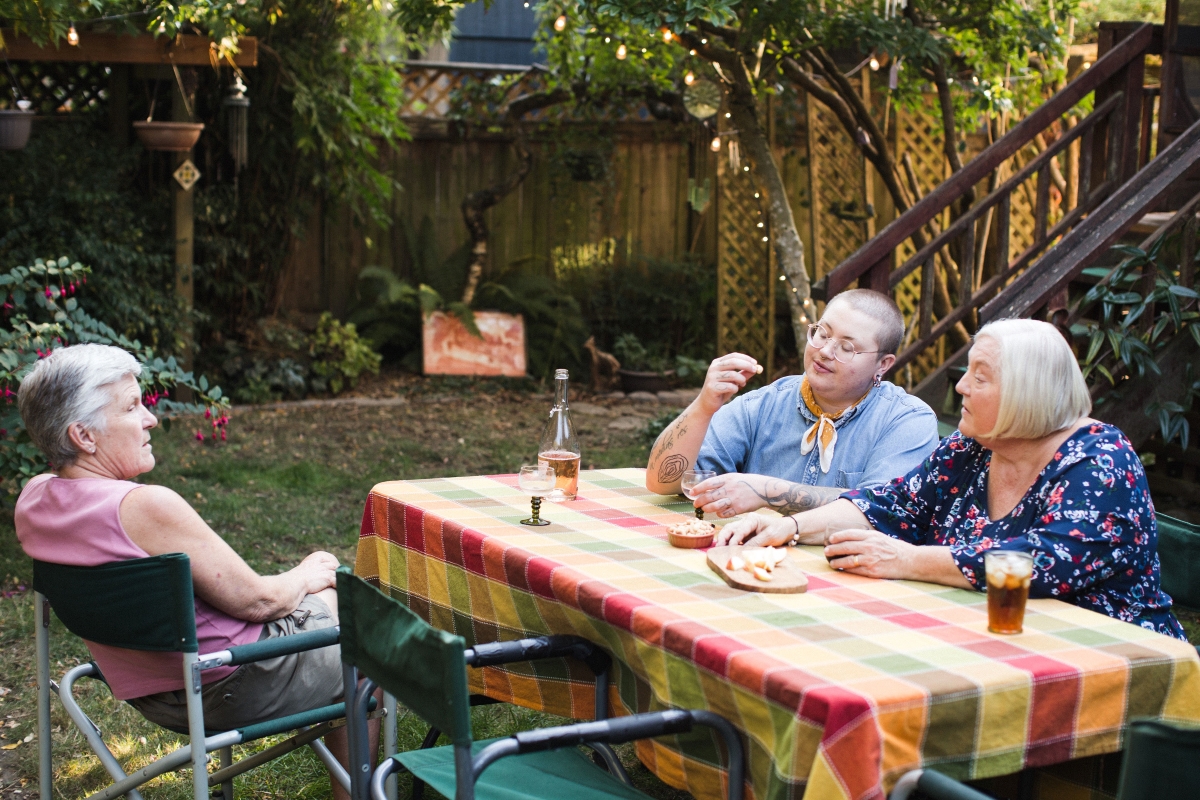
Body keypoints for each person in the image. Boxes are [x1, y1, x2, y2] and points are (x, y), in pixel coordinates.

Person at [14, 344, 375, 799]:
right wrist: (306, 573)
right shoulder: (144, 507)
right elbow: (260, 600)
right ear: (84, 436)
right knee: (361, 627)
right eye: (132, 407)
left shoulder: (33, 501)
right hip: (228, 685)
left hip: (148, 692)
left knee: (333, 611)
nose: (151, 419)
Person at [716, 319, 1185, 639]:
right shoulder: (974, 446)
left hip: (1106, 655)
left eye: (979, 378)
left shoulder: (1100, 460)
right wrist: (792, 526)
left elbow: (1045, 562)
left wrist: (909, 560)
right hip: (991, 642)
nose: (960, 387)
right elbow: (893, 503)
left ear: (1027, 394)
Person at [646, 289, 940, 517]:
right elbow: (663, 482)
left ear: (883, 364)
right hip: (754, 565)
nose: (824, 351)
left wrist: (766, 492)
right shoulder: (764, 405)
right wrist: (703, 407)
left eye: (846, 347)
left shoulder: (907, 421)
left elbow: (881, 510)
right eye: (822, 333)